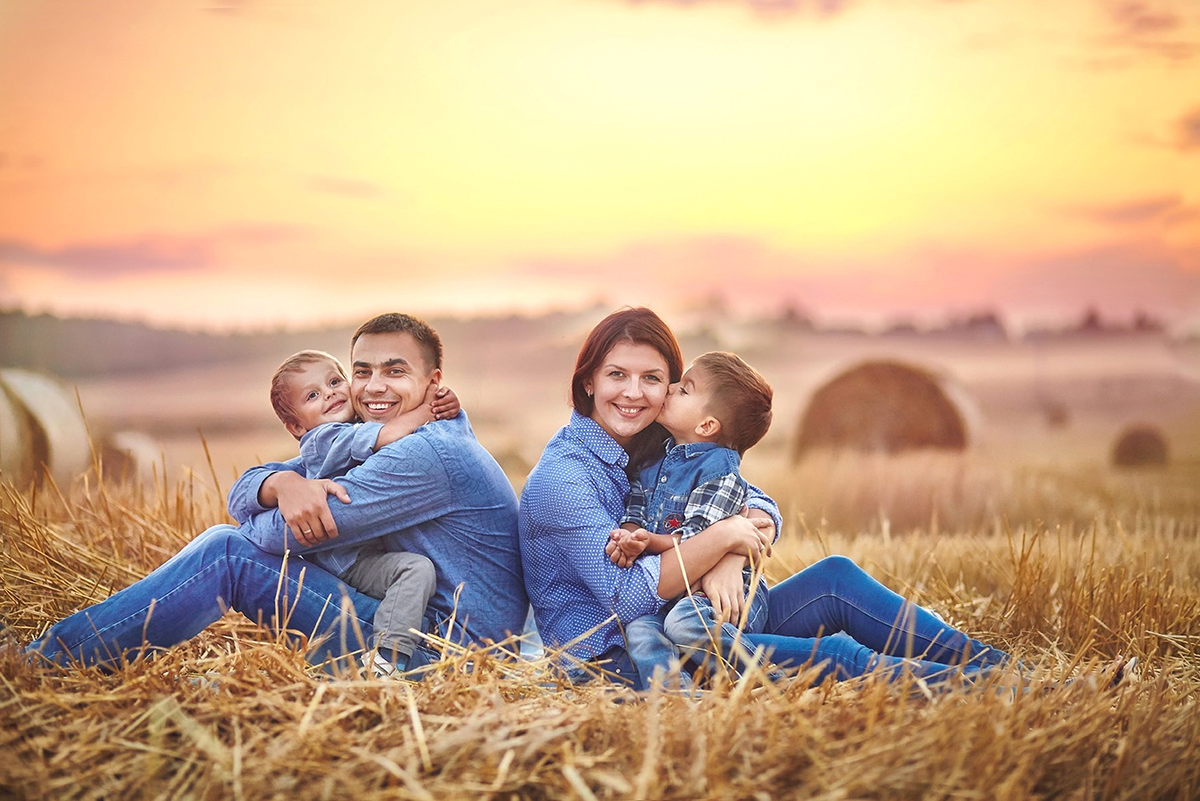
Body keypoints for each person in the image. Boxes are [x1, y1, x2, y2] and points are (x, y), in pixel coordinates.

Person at [519, 307, 1013, 691]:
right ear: (588, 380)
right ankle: (975, 687)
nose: (636, 393)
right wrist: (723, 537)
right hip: (632, 661)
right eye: (616, 375)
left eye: (653, 378)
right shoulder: (565, 478)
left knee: (834, 577)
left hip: (696, 616)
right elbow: (627, 599)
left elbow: (751, 497)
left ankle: (999, 667)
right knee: (836, 657)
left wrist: (731, 550)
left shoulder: (653, 446)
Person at [27, 313, 528, 673]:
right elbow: (250, 488)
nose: (373, 387)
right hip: (419, 622)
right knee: (231, 539)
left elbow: (276, 539)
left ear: (432, 380)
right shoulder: (382, 436)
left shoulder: (423, 455)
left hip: (444, 652)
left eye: (395, 371)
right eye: (361, 372)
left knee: (228, 552)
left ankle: (48, 659)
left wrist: (271, 510)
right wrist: (280, 483)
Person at [267, 348, 458, 675]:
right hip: (347, 559)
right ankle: (387, 660)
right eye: (313, 395)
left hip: (360, 551)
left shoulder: (352, 425)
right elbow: (390, 432)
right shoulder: (324, 439)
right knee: (415, 570)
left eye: (335, 382)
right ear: (296, 426)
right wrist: (429, 408)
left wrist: (446, 402)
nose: (329, 394)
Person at [607, 351, 775, 690]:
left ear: (707, 426)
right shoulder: (656, 461)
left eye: (684, 389)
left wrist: (649, 543)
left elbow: (699, 538)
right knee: (639, 631)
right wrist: (627, 537)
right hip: (678, 597)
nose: (669, 389)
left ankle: (767, 683)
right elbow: (636, 512)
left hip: (728, 597)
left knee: (685, 624)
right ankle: (679, 700)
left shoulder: (720, 472)